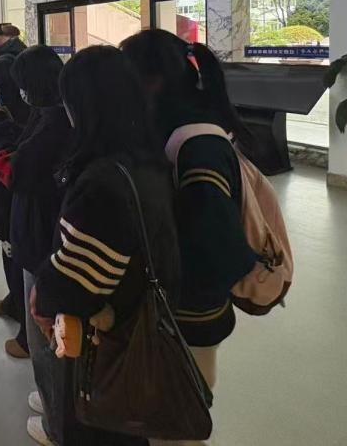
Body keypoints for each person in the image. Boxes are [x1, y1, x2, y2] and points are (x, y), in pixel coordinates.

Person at [29, 46, 181, 446]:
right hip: (138, 320)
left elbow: (77, 285)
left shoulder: (102, 181)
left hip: (107, 342)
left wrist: (42, 292)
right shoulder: (147, 158)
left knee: (97, 423)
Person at [120, 29, 257, 426]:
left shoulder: (197, 145)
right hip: (173, 307)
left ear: (152, 81)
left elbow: (215, 244)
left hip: (189, 311)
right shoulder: (171, 126)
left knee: (180, 412)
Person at [0, 45, 72, 446]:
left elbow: (16, 169)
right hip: (40, 228)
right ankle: (54, 398)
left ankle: (57, 419)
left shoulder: (54, 122)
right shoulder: (55, 113)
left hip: (39, 234)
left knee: (44, 329)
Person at [0, 54, 31, 359]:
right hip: (4, 200)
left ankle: (27, 332)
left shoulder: (25, 117)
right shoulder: (4, 111)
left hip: (18, 200)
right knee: (7, 251)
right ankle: (14, 302)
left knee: (19, 259)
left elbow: (14, 166)